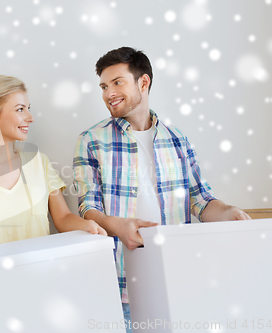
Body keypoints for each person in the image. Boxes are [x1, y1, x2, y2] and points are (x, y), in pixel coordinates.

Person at [72, 47, 251, 332]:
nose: (108, 93)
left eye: (118, 82)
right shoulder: (91, 140)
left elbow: (201, 200)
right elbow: (88, 208)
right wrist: (117, 226)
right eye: (104, 86)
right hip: (119, 285)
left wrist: (229, 212)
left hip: (176, 279)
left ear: (143, 82)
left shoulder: (177, 138)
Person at [0, 75, 107, 333]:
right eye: (20, 109)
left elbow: (62, 219)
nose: (30, 117)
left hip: (45, 299)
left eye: (29, 109)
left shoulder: (39, 162)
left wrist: (87, 225)